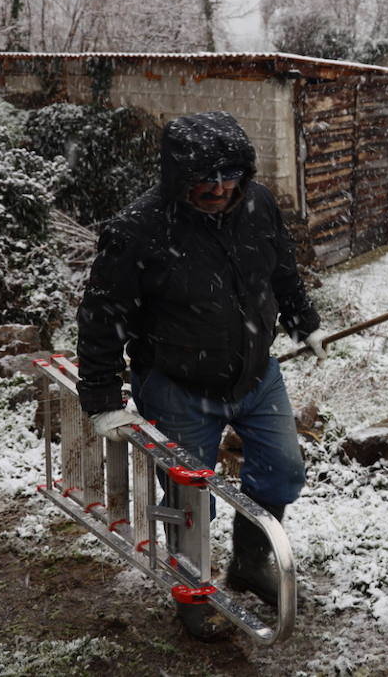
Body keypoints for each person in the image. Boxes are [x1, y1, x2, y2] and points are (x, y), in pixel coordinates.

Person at [76, 110, 325, 641]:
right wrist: (101, 398)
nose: (217, 188)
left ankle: (251, 561)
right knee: (192, 502)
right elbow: (102, 314)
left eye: (228, 175)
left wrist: (304, 319)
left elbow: (281, 267)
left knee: (283, 471)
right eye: (202, 178)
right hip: (177, 385)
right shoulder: (138, 230)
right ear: (174, 176)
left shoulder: (258, 207)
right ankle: (192, 589)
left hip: (257, 376)